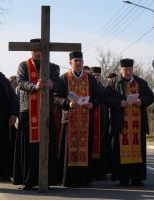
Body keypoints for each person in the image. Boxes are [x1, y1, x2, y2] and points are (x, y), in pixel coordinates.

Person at [13, 38, 60, 190]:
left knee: (47, 145)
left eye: (40, 50)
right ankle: (29, 180)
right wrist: (34, 86)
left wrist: (53, 84)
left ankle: (47, 179)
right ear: (31, 51)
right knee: (29, 148)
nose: (38, 53)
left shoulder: (53, 67)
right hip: (28, 111)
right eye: (35, 50)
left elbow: (59, 83)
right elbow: (20, 82)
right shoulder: (23, 65)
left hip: (46, 112)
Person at [104, 58, 154, 186]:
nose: (128, 72)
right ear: (121, 69)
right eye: (125, 69)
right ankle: (123, 177)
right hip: (121, 124)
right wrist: (119, 103)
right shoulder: (113, 83)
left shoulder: (141, 82)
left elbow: (150, 96)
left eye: (130, 69)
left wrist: (141, 101)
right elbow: (105, 98)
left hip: (137, 125)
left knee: (138, 151)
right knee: (120, 152)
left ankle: (137, 178)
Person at [55, 51, 100, 187]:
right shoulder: (63, 78)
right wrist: (67, 103)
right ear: (70, 63)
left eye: (80, 60)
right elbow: (55, 96)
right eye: (76, 61)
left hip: (86, 119)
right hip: (69, 119)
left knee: (85, 149)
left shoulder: (90, 78)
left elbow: (98, 96)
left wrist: (92, 104)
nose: (78, 63)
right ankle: (67, 179)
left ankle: (83, 179)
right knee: (68, 149)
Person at [90, 67, 109, 180]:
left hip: (103, 121)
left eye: (98, 75)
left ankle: (101, 172)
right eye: (94, 75)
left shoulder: (104, 89)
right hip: (92, 121)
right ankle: (91, 171)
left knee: (102, 147)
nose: (96, 77)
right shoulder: (88, 87)